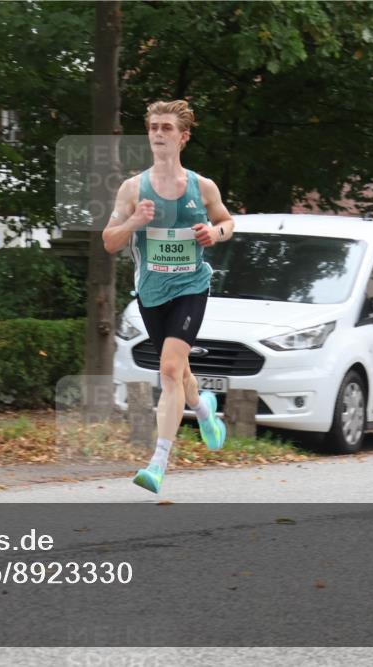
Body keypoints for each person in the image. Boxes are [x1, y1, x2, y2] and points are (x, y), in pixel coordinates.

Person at [102, 100, 236, 494]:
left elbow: (228, 222)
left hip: (192, 287)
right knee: (179, 372)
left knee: (170, 370)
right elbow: (109, 242)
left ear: (183, 137)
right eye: (153, 127)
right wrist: (134, 221)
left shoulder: (202, 186)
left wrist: (215, 234)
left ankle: (158, 463)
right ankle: (203, 410)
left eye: (166, 128)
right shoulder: (132, 189)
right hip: (151, 292)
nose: (158, 133)